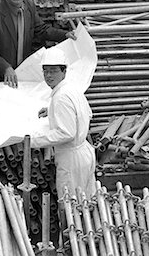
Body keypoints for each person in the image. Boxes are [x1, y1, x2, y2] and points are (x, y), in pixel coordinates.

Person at [30, 46, 96, 200]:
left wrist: (32, 141)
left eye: (53, 71)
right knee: (87, 203)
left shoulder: (61, 97)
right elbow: (87, 113)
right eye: (45, 71)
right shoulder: (71, 89)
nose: (48, 75)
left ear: (64, 71)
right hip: (83, 154)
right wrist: (52, 111)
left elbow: (66, 133)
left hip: (72, 160)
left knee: (71, 206)